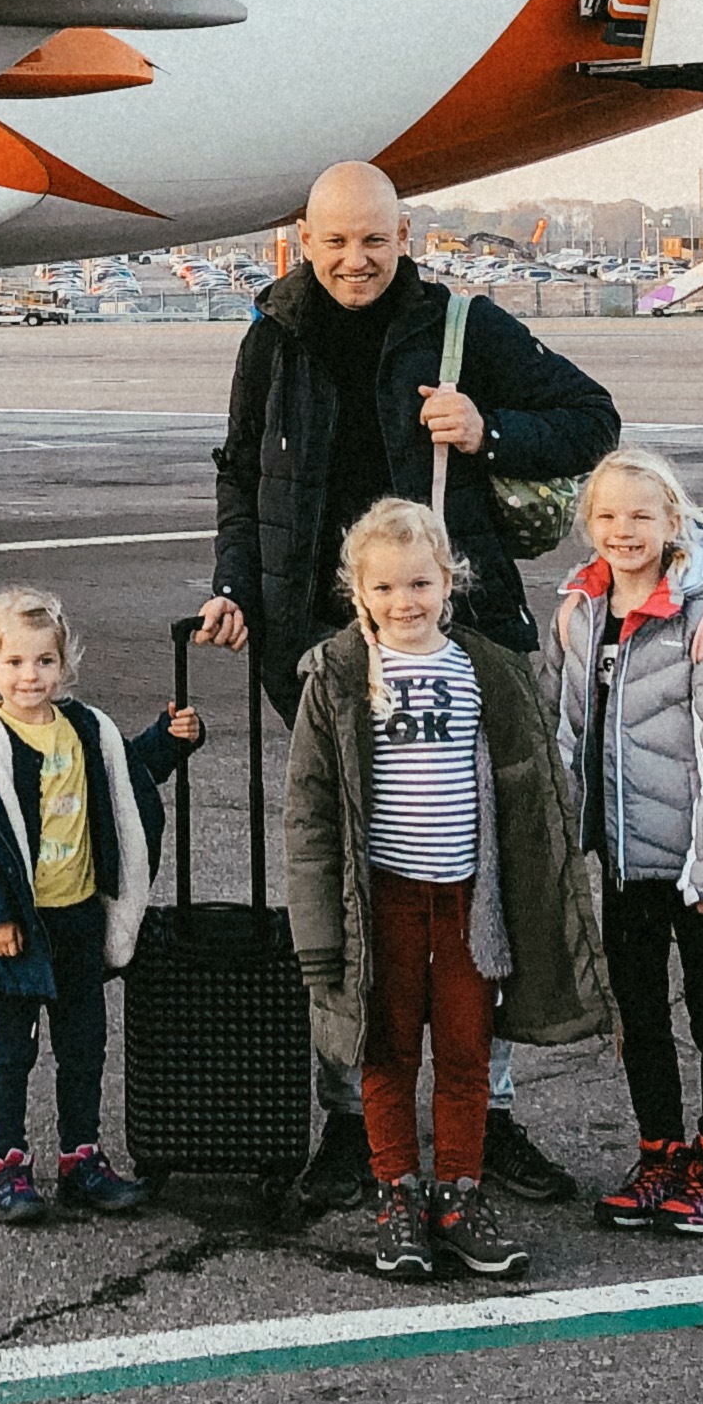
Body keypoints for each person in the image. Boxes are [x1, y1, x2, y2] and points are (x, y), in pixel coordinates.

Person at [199, 159, 620, 1212]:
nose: (357, 261)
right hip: (322, 657)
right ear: (304, 242)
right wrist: (235, 587)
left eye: (375, 241)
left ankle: (493, 1113)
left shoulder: (461, 327)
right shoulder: (272, 338)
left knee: (479, 883)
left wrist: (488, 429)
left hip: (459, 644)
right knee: (351, 889)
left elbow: (592, 417)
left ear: (405, 237)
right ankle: (350, 1125)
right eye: (337, 242)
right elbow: (240, 474)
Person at [282, 496, 536, 1284]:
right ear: (358, 591)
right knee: (386, 1052)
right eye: (385, 587)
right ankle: (397, 1191)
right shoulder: (338, 676)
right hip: (382, 902)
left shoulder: (481, 671)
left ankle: (459, 1193)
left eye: (421, 583)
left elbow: (528, 795)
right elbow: (309, 812)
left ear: (450, 582)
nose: (405, 602)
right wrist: (317, 933)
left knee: (465, 1051)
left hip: (465, 902)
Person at [0, 585, 202, 1225]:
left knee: (84, 1046)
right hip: (15, 926)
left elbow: (127, 778)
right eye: (14, 662)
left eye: (44, 661)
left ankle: (80, 1159)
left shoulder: (86, 730)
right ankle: (8, 1166)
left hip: (78, 918)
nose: (30, 676)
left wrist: (170, 740)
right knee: (11, 1051)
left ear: (64, 664)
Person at [543, 446, 703, 1239]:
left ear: (673, 521)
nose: (624, 530)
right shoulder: (578, 616)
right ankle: (660, 1154)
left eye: (641, 515)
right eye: (607, 515)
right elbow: (562, 733)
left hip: (695, 864)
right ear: (588, 523)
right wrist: (563, 836)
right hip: (623, 858)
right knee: (637, 1014)